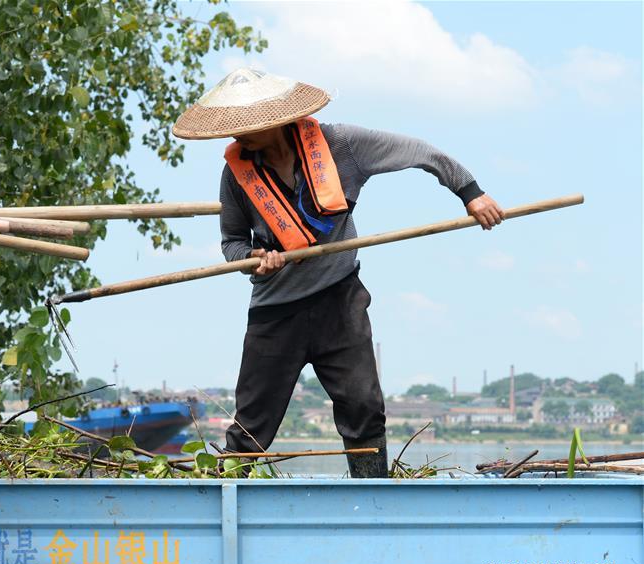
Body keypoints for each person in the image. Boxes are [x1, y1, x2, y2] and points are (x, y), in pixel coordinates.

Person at [172, 69, 504, 477]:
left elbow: (418, 150)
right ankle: (221, 501)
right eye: (235, 130)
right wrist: (255, 257)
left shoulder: (339, 145)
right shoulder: (236, 174)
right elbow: (231, 243)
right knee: (252, 426)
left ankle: (372, 496)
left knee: (363, 407)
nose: (239, 138)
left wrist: (470, 192)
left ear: (276, 120)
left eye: (248, 128)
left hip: (339, 300)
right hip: (276, 312)